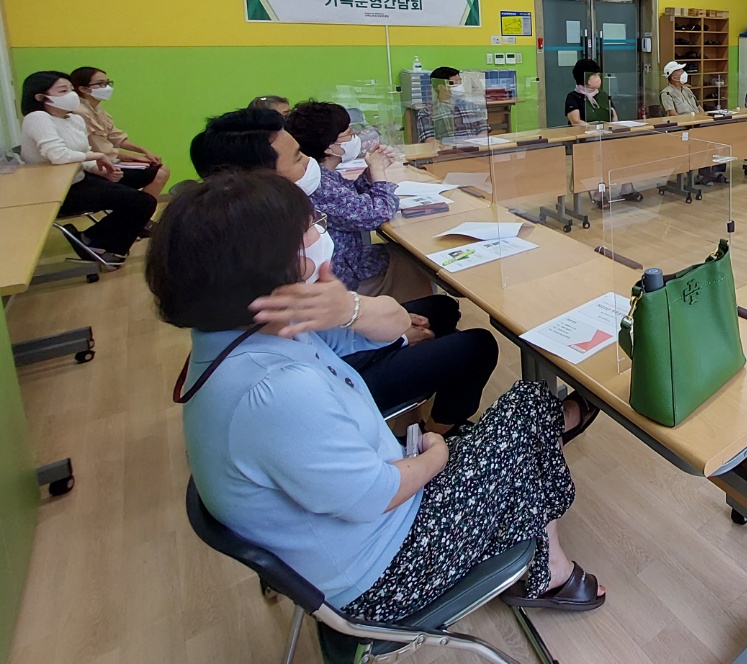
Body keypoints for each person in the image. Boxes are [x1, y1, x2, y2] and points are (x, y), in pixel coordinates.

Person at [155, 171, 606, 623]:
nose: (321, 235)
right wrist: (437, 456)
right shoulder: (276, 392)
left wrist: (348, 307)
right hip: (387, 570)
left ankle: (543, 518)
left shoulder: (248, 330)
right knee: (530, 410)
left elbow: (392, 327)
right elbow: (375, 496)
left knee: (527, 421)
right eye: (309, 230)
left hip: (369, 522)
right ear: (273, 267)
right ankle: (551, 568)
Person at [191, 108, 500, 435]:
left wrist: (383, 329)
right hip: (335, 376)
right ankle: (437, 434)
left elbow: (322, 333)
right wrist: (393, 339)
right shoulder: (261, 264)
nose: (308, 162)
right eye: (297, 158)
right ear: (261, 179)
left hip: (329, 342)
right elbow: (319, 355)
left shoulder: (243, 237)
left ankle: (427, 396)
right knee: (478, 345)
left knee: (441, 308)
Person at [283, 100, 431, 302]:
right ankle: (418, 312)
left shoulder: (321, 174)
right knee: (415, 260)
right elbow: (377, 214)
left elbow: (348, 197)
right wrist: (378, 172)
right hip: (345, 275)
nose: (356, 137)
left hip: (347, 261)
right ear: (330, 148)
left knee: (406, 254)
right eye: (349, 132)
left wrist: (370, 173)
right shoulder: (317, 185)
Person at [19, 71, 156, 264]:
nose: (71, 94)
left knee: (146, 193)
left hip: (79, 179)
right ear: (41, 97)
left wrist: (102, 170)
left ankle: (92, 239)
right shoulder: (38, 118)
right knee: (140, 202)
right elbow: (59, 155)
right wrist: (98, 157)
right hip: (54, 191)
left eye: (71, 89)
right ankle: (98, 243)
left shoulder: (74, 119)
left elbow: (84, 154)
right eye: (63, 90)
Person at [69, 66, 170, 199]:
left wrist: (144, 151)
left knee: (161, 169)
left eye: (108, 83)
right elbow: (102, 150)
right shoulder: (80, 112)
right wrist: (135, 157)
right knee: (160, 173)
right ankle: (141, 209)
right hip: (95, 166)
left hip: (108, 159)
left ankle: (142, 208)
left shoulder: (97, 108)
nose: (107, 87)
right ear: (83, 89)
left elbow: (117, 137)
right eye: (101, 84)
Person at [660, 61, 722, 184]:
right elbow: (672, 114)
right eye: (680, 71)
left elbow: (699, 108)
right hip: (682, 129)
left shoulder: (687, 90)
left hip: (697, 125)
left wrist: (705, 119)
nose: (684, 73)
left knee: (716, 140)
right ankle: (703, 175)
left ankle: (711, 172)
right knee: (702, 144)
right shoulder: (666, 93)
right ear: (674, 77)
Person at [414, 67, 488, 143]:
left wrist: (473, 143)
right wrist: (454, 146)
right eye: (453, 83)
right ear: (441, 87)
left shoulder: (472, 106)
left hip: (473, 147)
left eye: (459, 81)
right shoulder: (427, 113)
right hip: (446, 149)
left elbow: (484, 130)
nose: (459, 86)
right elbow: (429, 140)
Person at [564, 58, 611, 126]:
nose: (598, 78)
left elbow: (613, 116)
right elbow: (576, 121)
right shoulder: (573, 97)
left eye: (598, 74)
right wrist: (594, 129)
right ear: (585, 77)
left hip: (605, 131)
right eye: (594, 75)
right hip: (584, 132)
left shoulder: (603, 95)